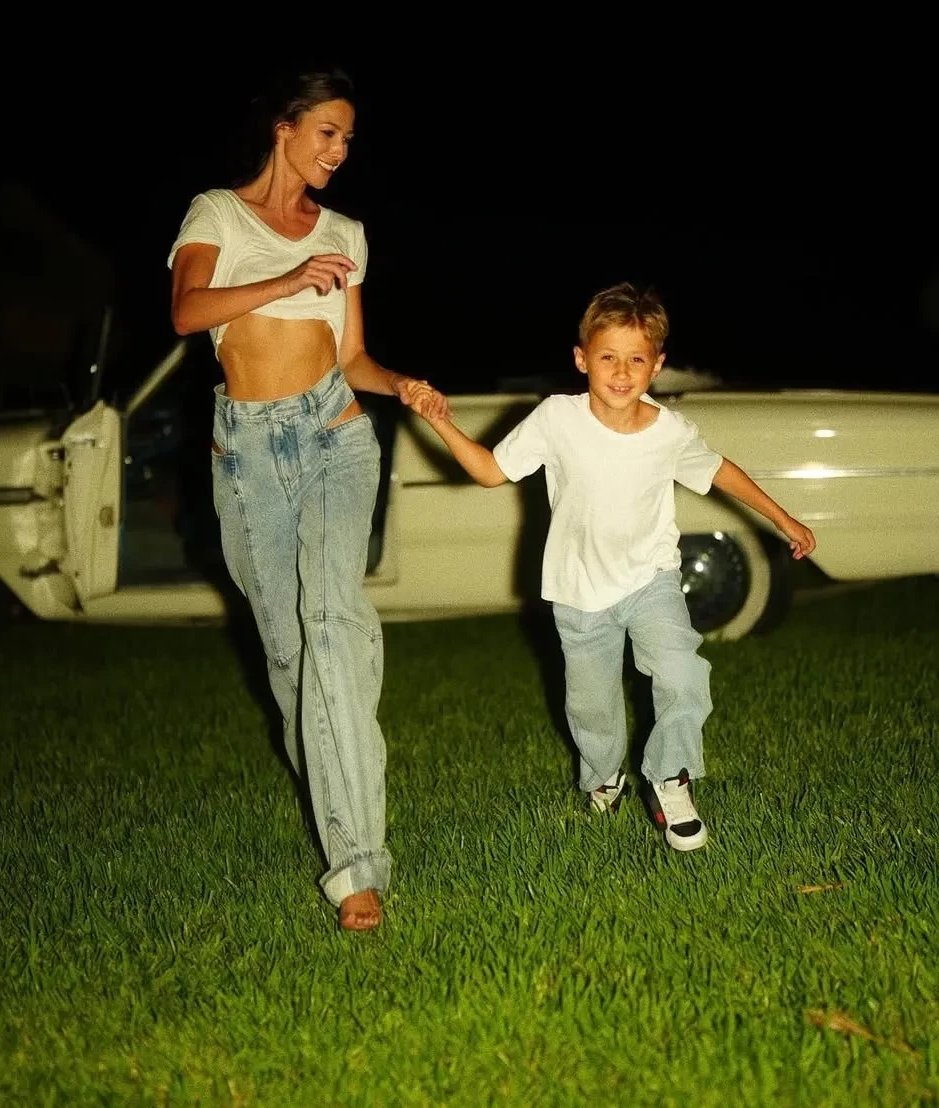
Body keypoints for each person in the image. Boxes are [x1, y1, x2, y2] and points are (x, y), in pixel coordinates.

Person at [167, 67, 448, 929]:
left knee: (330, 623)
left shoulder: (344, 233)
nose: (340, 150)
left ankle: (357, 865)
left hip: (334, 435)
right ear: (284, 129)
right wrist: (288, 280)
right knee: (295, 663)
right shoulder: (216, 213)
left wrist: (400, 383)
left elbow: (352, 357)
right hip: (247, 451)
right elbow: (188, 312)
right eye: (328, 132)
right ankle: (342, 794)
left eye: (349, 138)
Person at [409, 282, 816, 852]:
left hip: (651, 579)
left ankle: (671, 779)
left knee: (681, 672)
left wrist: (783, 518)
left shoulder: (668, 431)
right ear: (582, 359)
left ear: (657, 366)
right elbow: (489, 471)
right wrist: (440, 420)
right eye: (608, 357)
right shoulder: (557, 419)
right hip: (578, 591)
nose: (621, 373)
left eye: (636, 359)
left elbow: (720, 470)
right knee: (591, 707)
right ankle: (605, 777)